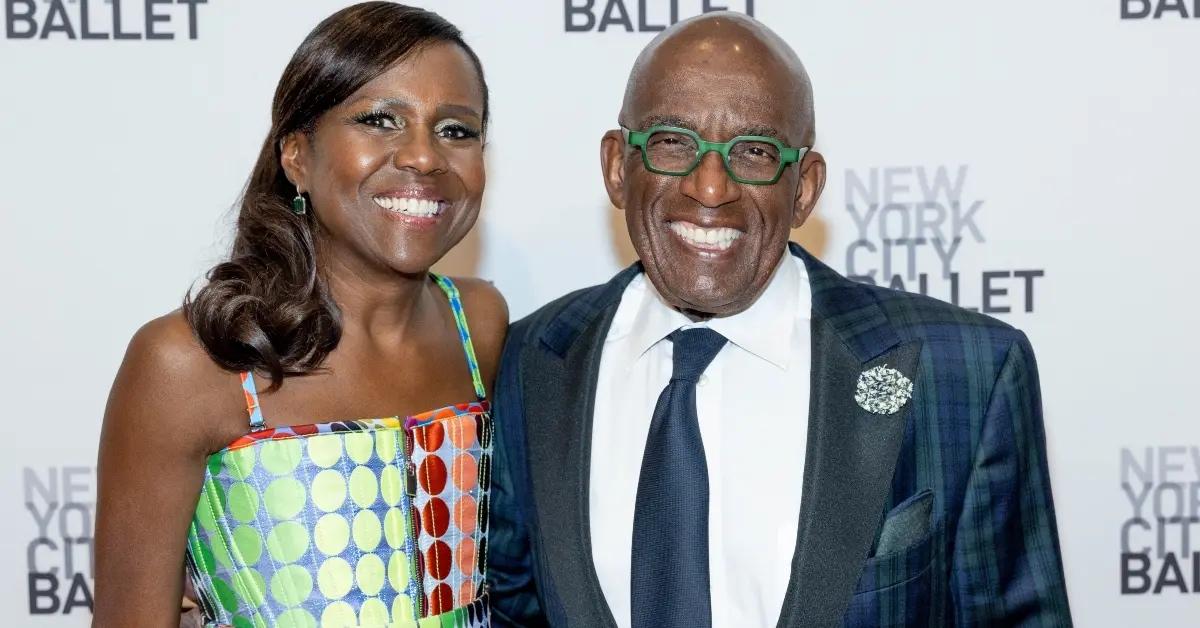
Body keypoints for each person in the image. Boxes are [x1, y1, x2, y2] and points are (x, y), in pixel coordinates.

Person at [487, 12, 1071, 628]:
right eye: (671, 141)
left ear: (804, 189)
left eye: (755, 152)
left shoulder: (967, 373)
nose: (710, 187)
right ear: (616, 166)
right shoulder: (533, 362)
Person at [93, 3, 506, 627]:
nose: (424, 157)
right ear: (297, 157)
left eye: (456, 130)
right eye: (379, 120)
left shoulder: (478, 324)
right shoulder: (191, 363)